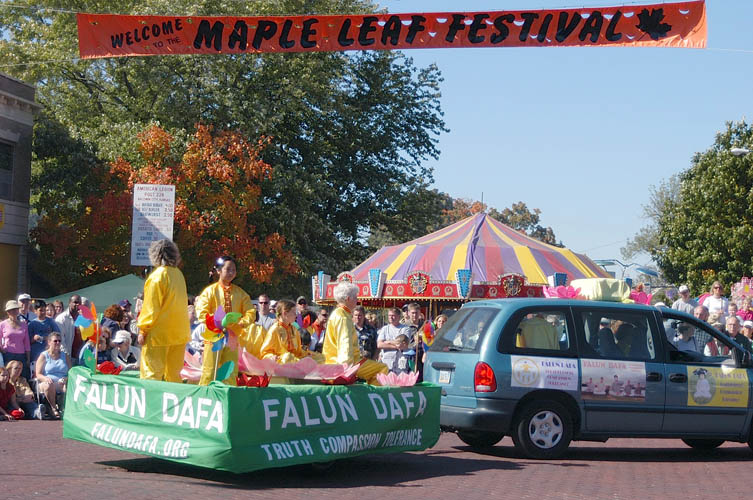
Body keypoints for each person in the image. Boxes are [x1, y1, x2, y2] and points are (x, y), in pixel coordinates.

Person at [195, 256, 256, 386]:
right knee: (210, 370)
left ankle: (228, 394)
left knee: (230, 371)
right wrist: (216, 322)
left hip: (232, 336)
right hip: (214, 336)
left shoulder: (240, 293)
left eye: (233, 270)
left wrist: (242, 322)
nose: (231, 272)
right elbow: (201, 312)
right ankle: (206, 394)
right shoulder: (210, 291)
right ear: (218, 270)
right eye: (228, 269)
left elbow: (250, 311)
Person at [137, 239, 191, 383]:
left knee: (151, 375)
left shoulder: (156, 277)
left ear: (155, 255)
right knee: (174, 377)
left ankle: (151, 398)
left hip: (159, 335)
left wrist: (143, 330)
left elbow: (151, 307)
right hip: (179, 333)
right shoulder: (179, 275)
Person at [323, 282, 388, 384]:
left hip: (334, 361)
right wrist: (346, 370)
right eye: (355, 297)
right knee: (382, 368)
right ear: (348, 299)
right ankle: (372, 394)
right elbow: (345, 345)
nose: (357, 300)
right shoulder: (343, 317)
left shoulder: (339, 313)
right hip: (344, 363)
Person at [261, 299, 319, 364]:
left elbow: (298, 351)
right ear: (285, 313)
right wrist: (272, 357)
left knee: (317, 357)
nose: (296, 315)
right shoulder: (274, 330)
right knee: (287, 357)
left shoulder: (294, 329)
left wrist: (306, 354)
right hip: (281, 364)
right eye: (293, 312)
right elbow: (265, 352)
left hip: (295, 362)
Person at [35, 332, 70, 419]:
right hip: (47, 382)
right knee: (49, 385)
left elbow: (70, 372)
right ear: (49, 342)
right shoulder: (44, 356)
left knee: (67, 386)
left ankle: (64, 408)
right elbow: (38, 374)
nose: (58, 343)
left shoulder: (65, 355)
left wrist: (66, 379)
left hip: (62, 383)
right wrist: (45, 378)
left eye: (59, 341)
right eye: (55, 341)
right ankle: (53, 408)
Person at [0, 300, 30, 379]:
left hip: (21, 355)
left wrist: (28, 358)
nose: (14, 311)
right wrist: (2, 349)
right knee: (8, 377)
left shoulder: (24, 324)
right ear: (8, 312)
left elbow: (27, 343)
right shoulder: (2, 324)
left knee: (22, 377)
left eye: (16, 309)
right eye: (12, 310)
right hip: (8, 354)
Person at [28, 299, 61, 369]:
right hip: (35, 356)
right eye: (40, 310)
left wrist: (46, 338)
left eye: (44, 310)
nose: (43, 312)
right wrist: (34, 338)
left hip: (49, 355)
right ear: (35, 311)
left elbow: (58, 335)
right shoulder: (31, 324)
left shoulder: (51, 322)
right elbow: (28, 341)